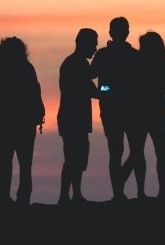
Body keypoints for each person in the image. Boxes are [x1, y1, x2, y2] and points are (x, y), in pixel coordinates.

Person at [0, 36, 45, 206]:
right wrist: (38, 113)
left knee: (4, 162)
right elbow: (35, 93)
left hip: (2, 124)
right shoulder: (26, 68)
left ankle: (4, 196)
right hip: (23, 123)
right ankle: (22, 198)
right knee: (25, 164)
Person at [90, 16, 144, 201]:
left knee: (129, 151)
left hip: (126, 109)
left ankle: (124, 189)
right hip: (117, 109)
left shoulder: (132, 55)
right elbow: (91, 75)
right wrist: (105, 91)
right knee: (120, 151)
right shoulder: (108, 55)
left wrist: (104, 91)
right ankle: (120, 193)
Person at [121, 31, 165, 199]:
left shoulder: (137, 64)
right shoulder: (163, 66)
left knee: (141, 154)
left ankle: (144, 191)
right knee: (154, 154)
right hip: (150, 114)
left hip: (141, 114)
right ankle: (154, 190)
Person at [57, 29, 100, 205]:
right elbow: (93, 89)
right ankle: (66, 196)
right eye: (93, 44)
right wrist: (110, 89)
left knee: (77, 158)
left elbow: (92, 86)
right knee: (73, 158)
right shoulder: (77, 64)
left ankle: (74, 195)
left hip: (72, 118)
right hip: (73, 119)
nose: (95, 48)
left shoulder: (74, 63)